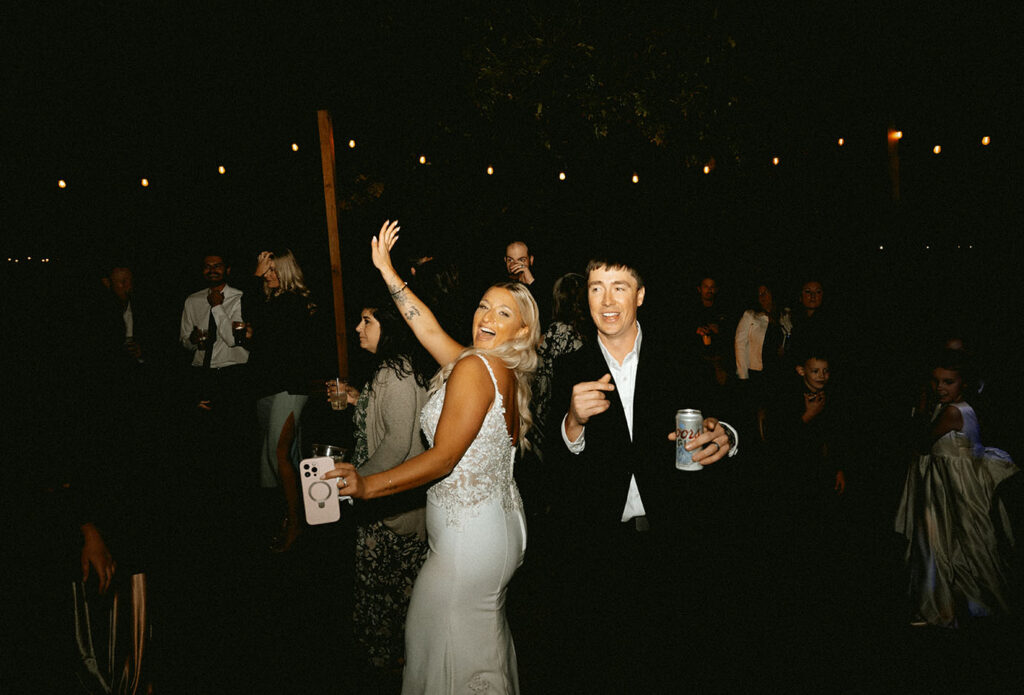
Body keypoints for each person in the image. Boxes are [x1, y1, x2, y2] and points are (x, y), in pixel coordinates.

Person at [326, 220, 539, 694]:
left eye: (503, 313)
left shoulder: (475, 368)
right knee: (477, 651)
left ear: (522, 328)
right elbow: (428, 330)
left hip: (468, 545)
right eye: (483, 305)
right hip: (501, 531)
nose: (485, 316)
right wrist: (388, 273)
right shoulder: (497, 367)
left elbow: (443, 459)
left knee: (435, 652)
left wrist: (367, 485)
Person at [548, 255, 738, 690]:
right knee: (610, 667)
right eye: (597, 286)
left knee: (678, 662)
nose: (607, 299)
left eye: (619, 286)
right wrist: (572, 423)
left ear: (640, 295)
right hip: (603, 551)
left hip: (675, 543)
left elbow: (724, 415)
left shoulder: (680, 357)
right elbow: (554, 472)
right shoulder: (570, 368)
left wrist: (725, 434)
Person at [329, 300, 433, 676]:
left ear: (388, 327)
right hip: (392, 502)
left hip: (391, 506)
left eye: (367, 321)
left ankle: (387, 671)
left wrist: (358, 485)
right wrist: (361, 400)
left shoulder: (396, 370)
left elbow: (396, 445)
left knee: (386, 598)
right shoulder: (397, 368)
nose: (358, 328)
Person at [895, 349, 1019, 628]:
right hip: (952, 481)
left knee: (943, 541)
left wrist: (922, 411)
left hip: (953, 486)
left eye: (948, 382)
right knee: (958, 543)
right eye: (937, 381)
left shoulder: (952, 411)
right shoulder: (960, 407)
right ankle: (959, 601)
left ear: (962, 383)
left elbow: (925, 441)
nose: (940, 387)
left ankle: (942, 605)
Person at [247, 249, 317, 552]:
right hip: (268, 385)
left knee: (279, 453)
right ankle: (291, 516)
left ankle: (295, 523)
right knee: (274, 457)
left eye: (274, 270)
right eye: (267, 270)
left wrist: (255, 276)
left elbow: (259, 319)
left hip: (290, 387)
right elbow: (267, 337)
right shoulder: (272, 302)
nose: (270, 275)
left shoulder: (294, 301)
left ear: (287, 272)